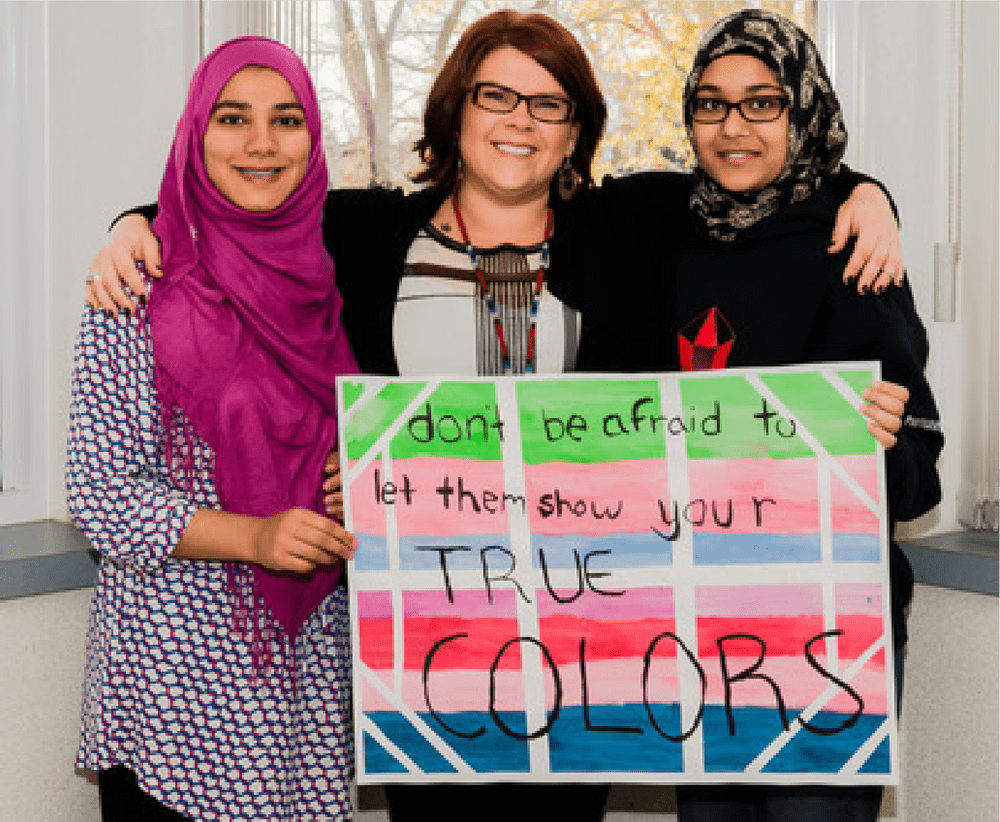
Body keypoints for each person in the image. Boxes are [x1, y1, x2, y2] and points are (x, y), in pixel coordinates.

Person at [80, 11, 910, 821]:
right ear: (455, 110)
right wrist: (130, 226)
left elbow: (759, 177)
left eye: (548, 103)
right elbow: (234, 205)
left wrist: (870, 195)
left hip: (587, 643)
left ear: (575, 129)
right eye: (495, 97)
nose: (520, 121)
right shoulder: (367, 233)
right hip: (427, 649)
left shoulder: (626, 227)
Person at [553, 9, 943, 821]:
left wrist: (881, 444)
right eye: (711, 103)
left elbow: (915, 485)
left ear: (804, 112)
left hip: (828, 633)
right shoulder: (660, 224)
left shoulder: (855, 248)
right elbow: (535, 192)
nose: (734, 128)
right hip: (688, 629)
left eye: (763, 102)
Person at [66, 37, 359, 822]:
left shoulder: (334, 274)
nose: (261, 143)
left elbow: (372, 425)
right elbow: (100, 497)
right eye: (233, 118)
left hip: (301, 693)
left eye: (287, 120)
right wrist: (257, 538)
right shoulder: (137, 281)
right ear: (195, 133)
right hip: (175, 686)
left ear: (313, 138)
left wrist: (358, 473)